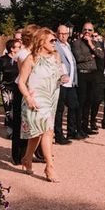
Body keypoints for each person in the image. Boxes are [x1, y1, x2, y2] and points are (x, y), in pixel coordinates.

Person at [18, 28, 69, 182]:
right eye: (52, 40)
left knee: (39, 133)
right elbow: (21, 82)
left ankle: (27, 158)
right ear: (41, 42)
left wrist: (63, 77)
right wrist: (28, 98)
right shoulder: (31, 58)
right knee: (47, 131)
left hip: (51, 98)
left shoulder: (56, 56)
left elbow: (60, 74)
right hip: (36, 99)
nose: (55, 43)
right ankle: (50, 167)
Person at [11, 24, 39, 165]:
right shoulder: (23, 53)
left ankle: (30, 153)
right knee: (20, 122)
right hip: (22, 88)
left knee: (31, 121)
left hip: (31, 89)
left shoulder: (33, 52)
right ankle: (18, 155)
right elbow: (24, 75)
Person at [71, 23, 104, 135]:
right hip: (82, 74)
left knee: (89, 102)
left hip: (92, 75)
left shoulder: (95, 43)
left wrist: (91, 44)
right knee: (81, 101)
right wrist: (92, 56)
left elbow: (101, 55)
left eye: (90, 30)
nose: (87, 32)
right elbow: (78, 58)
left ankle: (85, 126)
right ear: (82, 30)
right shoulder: (76, 43)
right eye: (85, 29)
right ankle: (78, 127)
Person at [55, 25, 81, 142]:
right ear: (57, 34)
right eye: (60, 33)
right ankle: (59, 135)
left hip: (71, 82)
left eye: (65, 34)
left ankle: (71, 131)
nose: (62, 36)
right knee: (59, 110)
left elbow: (71, 63)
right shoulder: (55, 45)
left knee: (74, 106)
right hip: (61, 82)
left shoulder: (68, 45)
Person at [0, 39, 21, 136]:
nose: (21, 49)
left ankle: (18, 130)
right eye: (18, 47)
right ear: (12, 49)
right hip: (7, 87)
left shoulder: (22, 59)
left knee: (17, 109)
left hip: (19, 86)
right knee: (8, 109)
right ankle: (10, 131)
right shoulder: (2, 60)